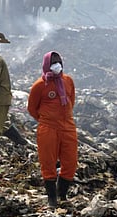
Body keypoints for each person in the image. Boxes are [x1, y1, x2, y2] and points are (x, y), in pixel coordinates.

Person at [27, 51, 78, 208]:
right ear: (46, 64)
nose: (57, 64)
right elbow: (31, 108)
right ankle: (52, 199)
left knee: (70, 163)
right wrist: (46, 120)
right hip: (48, 128)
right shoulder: (40, 85)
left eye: (59, 61)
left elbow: (71, 101)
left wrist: (63, 119)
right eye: (53, 61)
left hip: (68, 127)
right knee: (48, 164)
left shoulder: (68, 81)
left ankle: (62, 194)